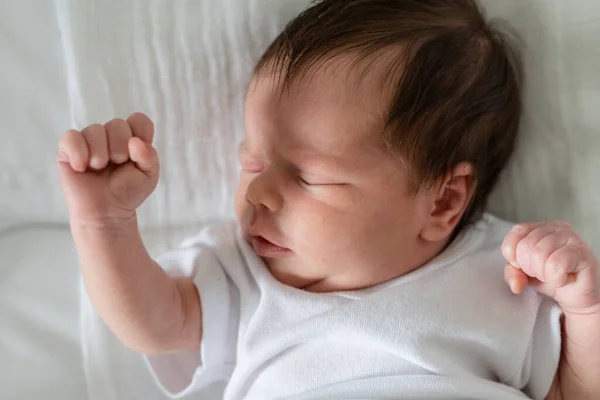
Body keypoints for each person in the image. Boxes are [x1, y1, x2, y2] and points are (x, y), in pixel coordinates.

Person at [57, 0, 600, 398]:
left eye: (309, 176)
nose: (260, 193)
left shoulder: (506, 275)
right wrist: (103, 220)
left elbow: (575, 389)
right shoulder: (246, 275)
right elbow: (152, 325)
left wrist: (586, 310)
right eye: (253, 162)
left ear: (442, 202)